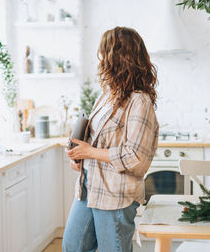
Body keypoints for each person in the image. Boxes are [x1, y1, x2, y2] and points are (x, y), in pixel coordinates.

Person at [63, 26, 159, 252]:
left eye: (104, 52)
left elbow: (136, 157)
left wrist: (90, 152)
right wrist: (79, 156)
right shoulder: (107, 95)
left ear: (119, 57)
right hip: (88, 186)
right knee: (72, 246)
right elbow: (95, 139)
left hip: (116, 195)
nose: (100, 58)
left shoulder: (140, 102)